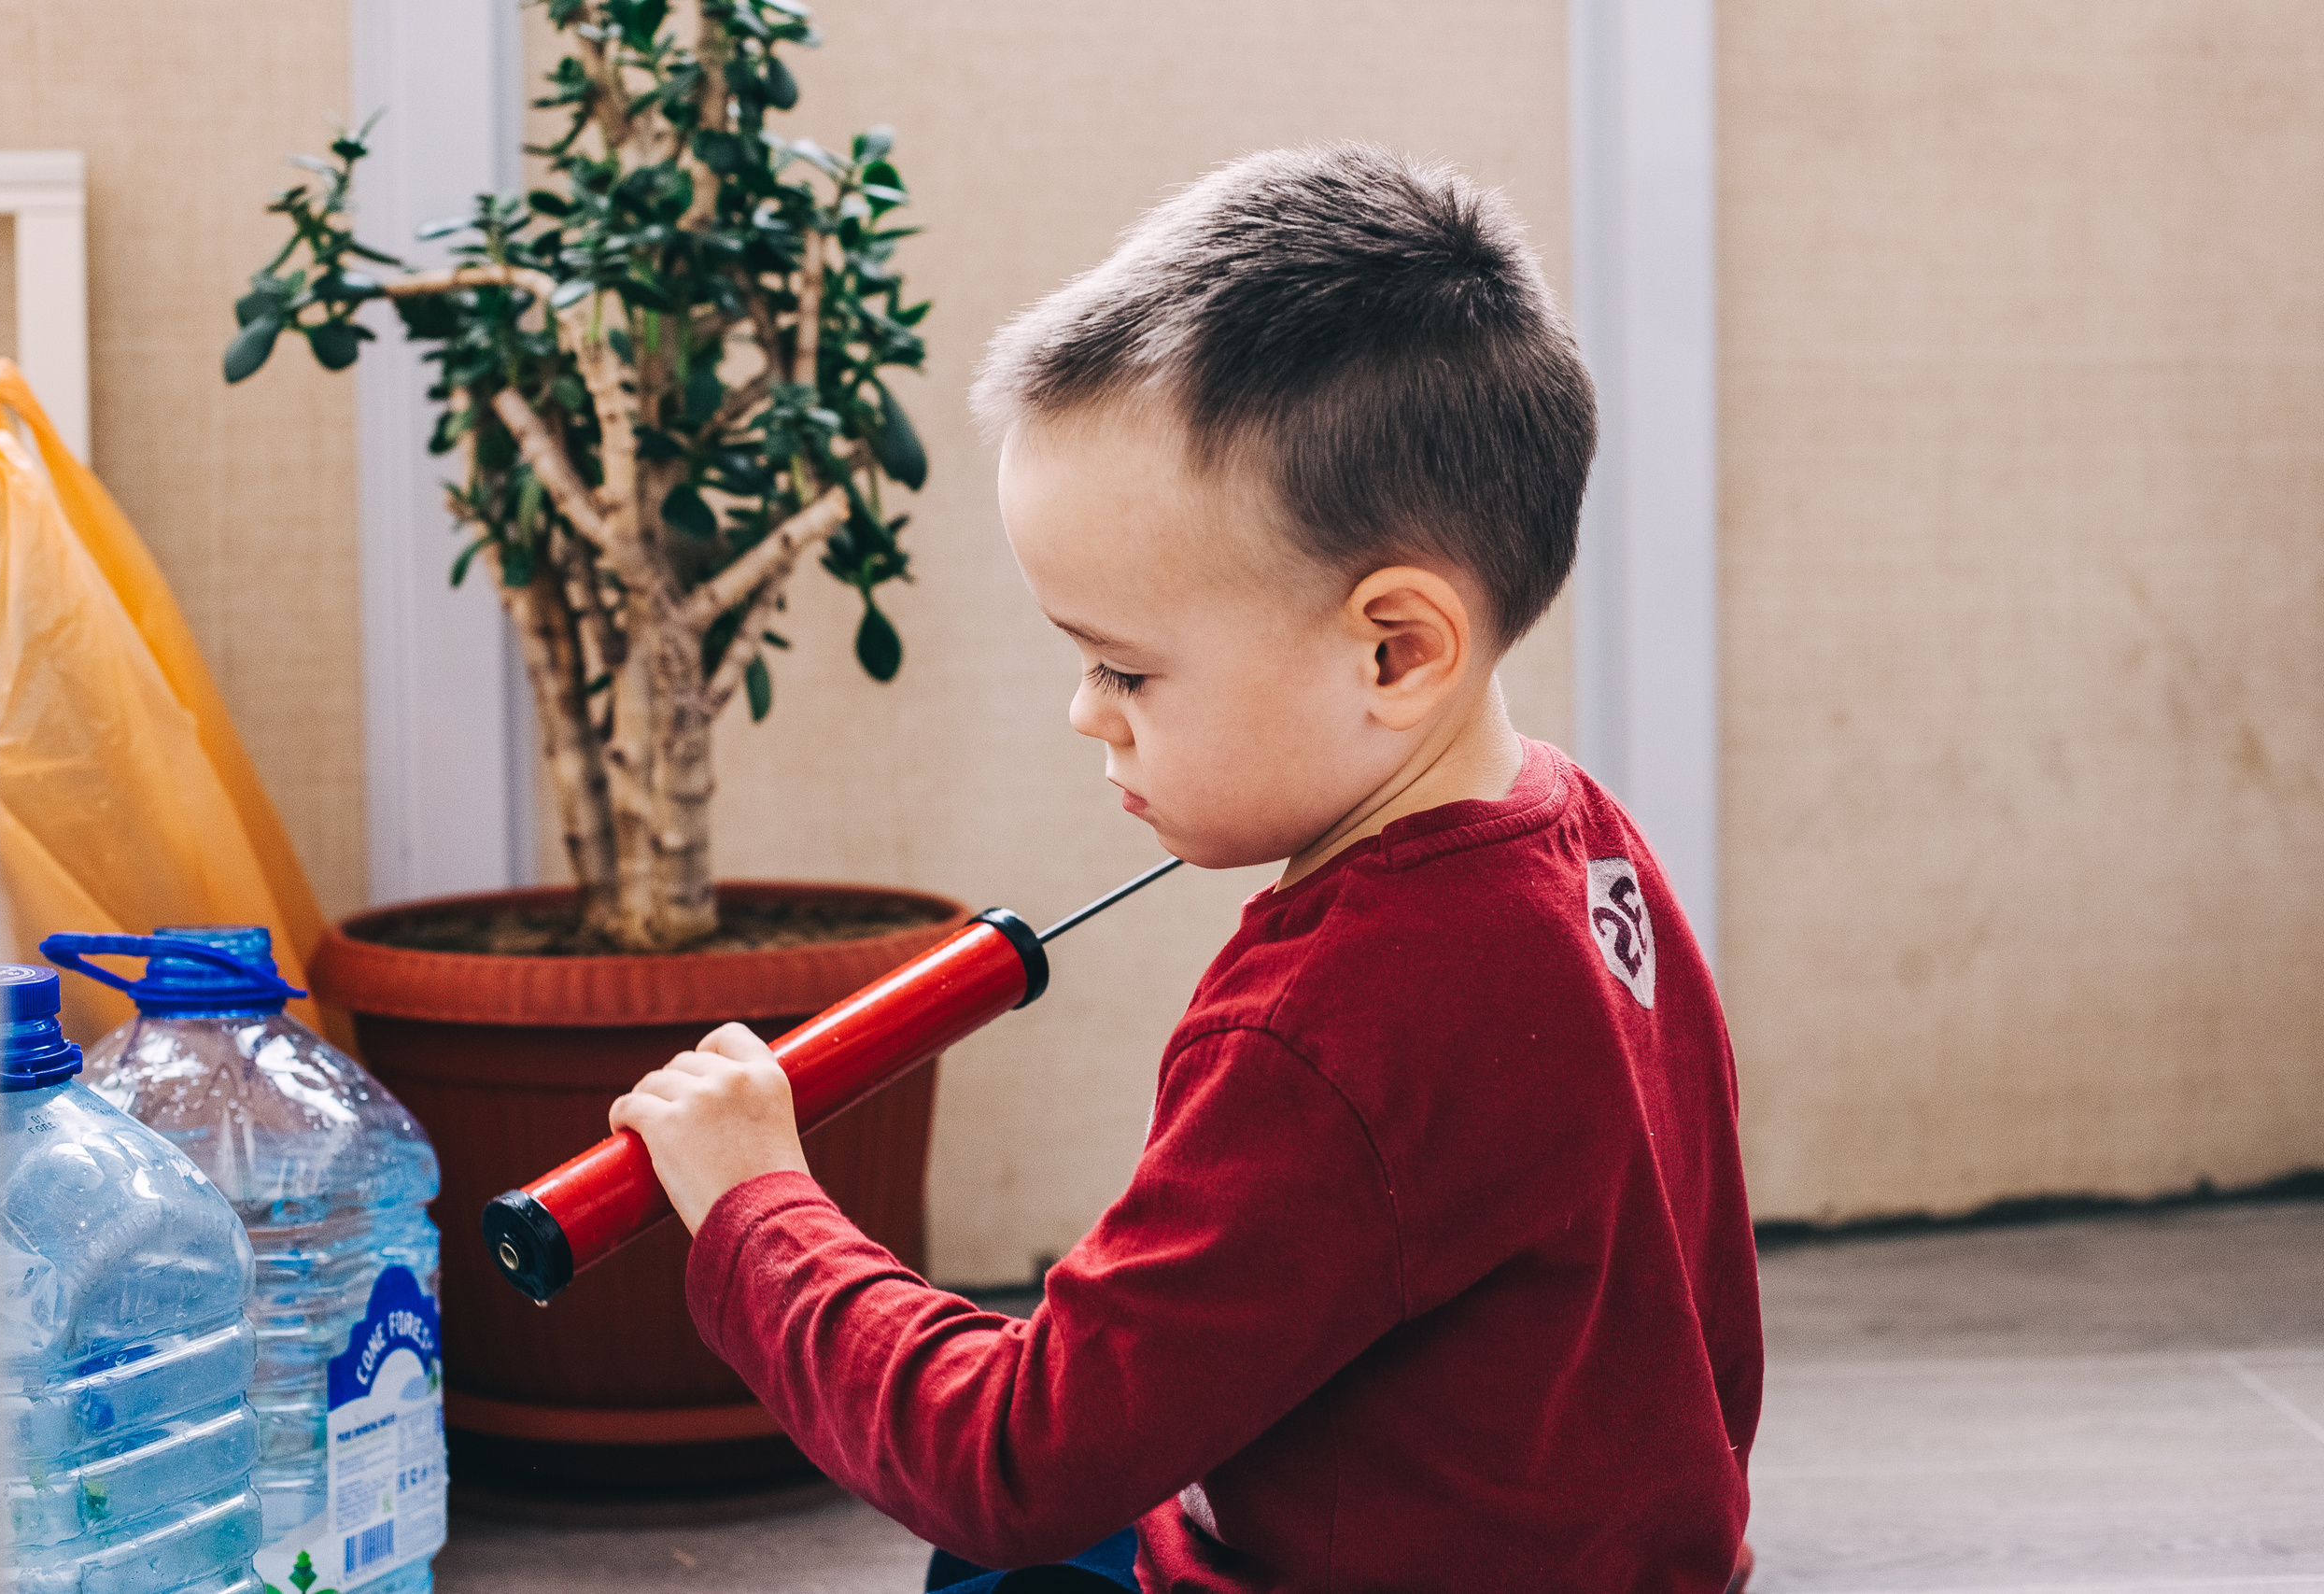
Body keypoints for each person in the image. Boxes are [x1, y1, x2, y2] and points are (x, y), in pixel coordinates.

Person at [613, 144, 1763, 1594]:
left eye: (1126, 667)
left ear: (1395, 650)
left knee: (994, 1552)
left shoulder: (1327, 1029)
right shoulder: (1582, 835)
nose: (1087, 711)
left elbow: (1012, 1461)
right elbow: (1696, 1281)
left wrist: (754, 1203)